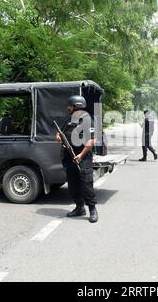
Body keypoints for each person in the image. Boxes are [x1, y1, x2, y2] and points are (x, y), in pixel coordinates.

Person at [56, 95, 98, 223]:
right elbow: (59, 133)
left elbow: (92, 140)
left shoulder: (87, 120)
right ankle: (79, 208)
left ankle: (92, 210)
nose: (68, 108)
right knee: (73, 185)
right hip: (69, 157)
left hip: (83, 158)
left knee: (86, 185)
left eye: (70, 105)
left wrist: (81, 155)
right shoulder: (69, 120)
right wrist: (58, 137)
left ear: (76, 106)